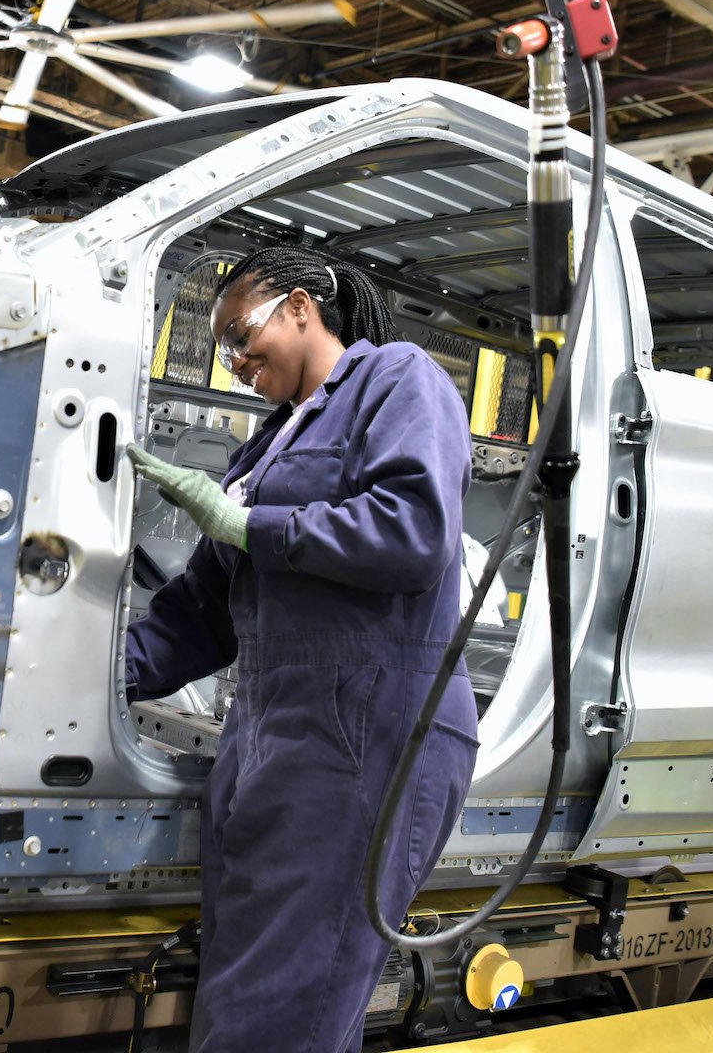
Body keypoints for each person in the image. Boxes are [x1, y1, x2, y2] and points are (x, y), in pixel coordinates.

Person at [125, 245, 479, 1052]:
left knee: (284, 1006)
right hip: (273, 741)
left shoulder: (397, 377)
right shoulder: (268, 445)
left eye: (242, 334)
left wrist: (250, 524)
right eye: (220, 350)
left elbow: (415, 532)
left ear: (298, 306)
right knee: (260, 993)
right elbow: (204, 615)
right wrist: (91, 674)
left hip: (370, 732)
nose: (236, 360)